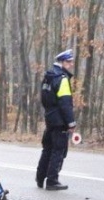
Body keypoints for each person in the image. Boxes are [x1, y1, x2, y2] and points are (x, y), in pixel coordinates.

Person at [36, 49, 77, 191]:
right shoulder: (62, 79)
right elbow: (65, 103)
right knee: (58, 150)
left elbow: (44, 99)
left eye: (71, 61)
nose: (71, 64)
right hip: (60, 121)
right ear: (61, 62)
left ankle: (40, 178)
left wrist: (50, 113)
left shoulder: (48, 76)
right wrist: (71, 123)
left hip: (49, 118)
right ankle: (52, 181)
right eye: (68, 62)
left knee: (47, 148)